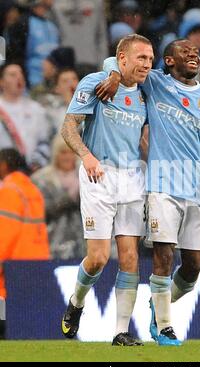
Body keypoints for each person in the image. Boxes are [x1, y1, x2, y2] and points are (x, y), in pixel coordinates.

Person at [98, 38, 200, 345]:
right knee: (163, 255)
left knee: (194, 264)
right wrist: (115, 76)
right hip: (161, 186)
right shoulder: (155, 82)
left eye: (196, 52)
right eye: (185, 51)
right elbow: (115, 62)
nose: (193, 54)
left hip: (195, 189)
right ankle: (165, 327)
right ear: (168, 61)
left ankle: (158, 307)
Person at [60, 34, 154, 346]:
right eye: (141, 58)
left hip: (131, 179)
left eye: (150, 59)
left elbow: (142, 137)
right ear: (122, 58)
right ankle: (77, 301)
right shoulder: (96, 83)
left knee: (130, 256)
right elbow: (68, 126)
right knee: (99, 257)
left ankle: (120, 332)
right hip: (98, 174)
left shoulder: (145, 92)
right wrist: (86, 156)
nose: (147, 64)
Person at [0, 148, 50, 299]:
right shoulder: (33, 190)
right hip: (37, 264)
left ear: (4, 165)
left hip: (13, 269)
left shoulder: (9, 191)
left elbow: (6, 233)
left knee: (8, 318)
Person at [31, 134, 83, 260]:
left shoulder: (87, 178)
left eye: (71, 152)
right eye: (63, 152)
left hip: (83, 246)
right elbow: (41, 211)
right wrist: (69, 199)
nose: (67, 157)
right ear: (55, 154)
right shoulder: (41, 179)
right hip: (51, 243)